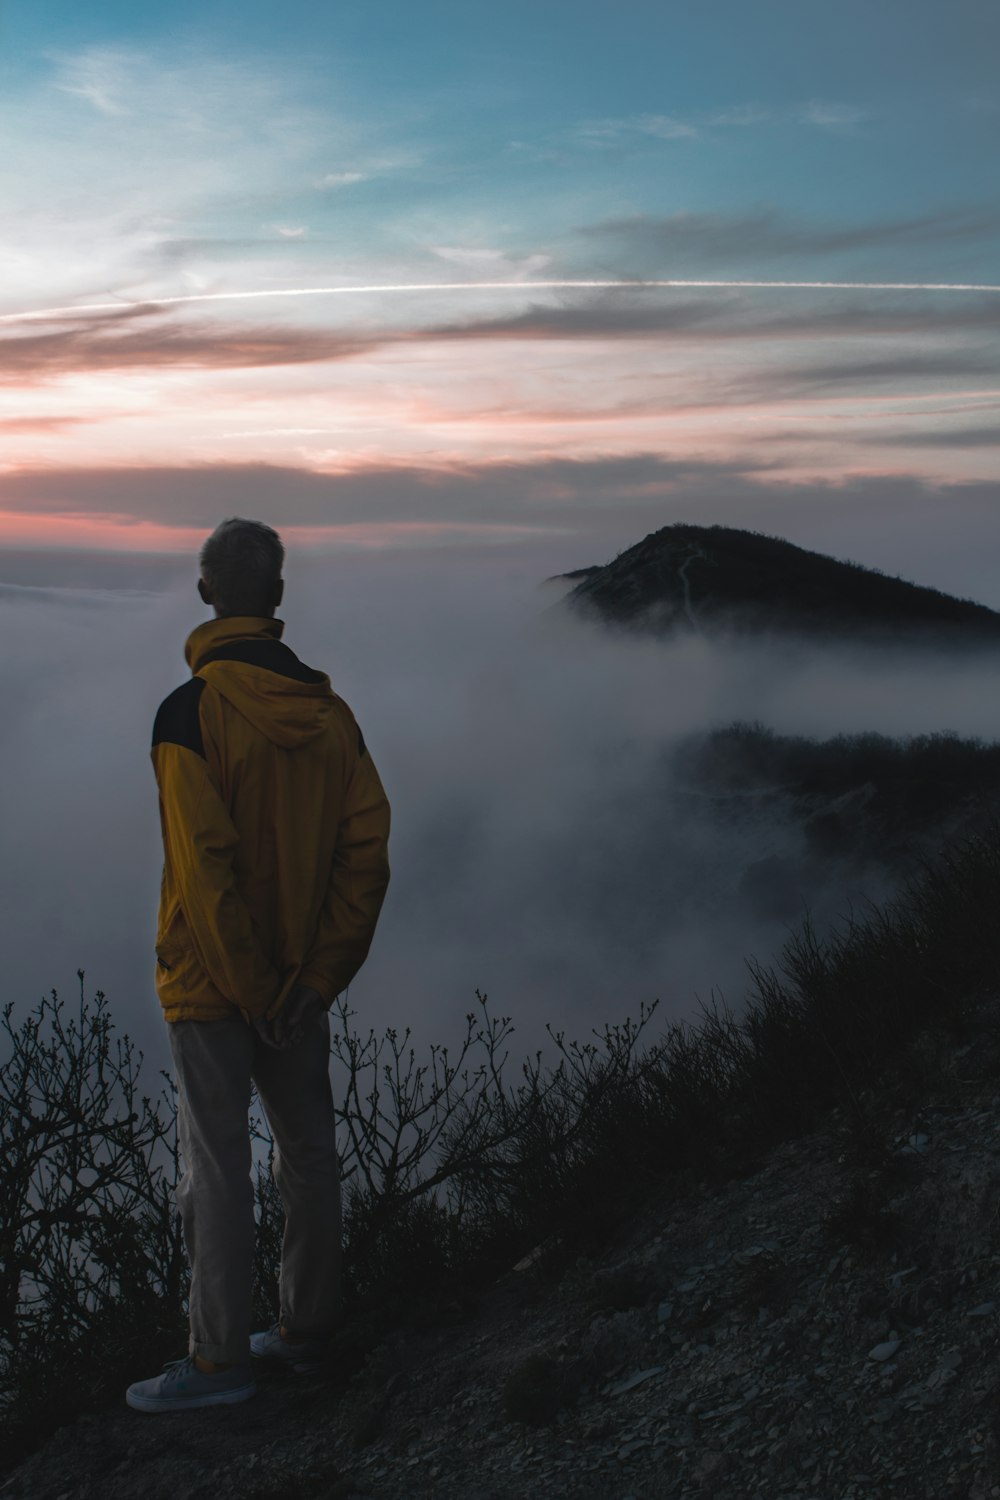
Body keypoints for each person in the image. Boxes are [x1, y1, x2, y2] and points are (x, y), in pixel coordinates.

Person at [126, 517, 390, 1413]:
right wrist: (314, 981)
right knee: (309, 1157)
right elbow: (366, 856)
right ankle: (311, 1333)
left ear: (207, 596)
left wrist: (254, 990)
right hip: (299, 987)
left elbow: (207, 873)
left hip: (213, 990)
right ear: (277, 597)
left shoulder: (186, 716)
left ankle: (217, 1364)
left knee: (216, 1167)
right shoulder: (333, 717)